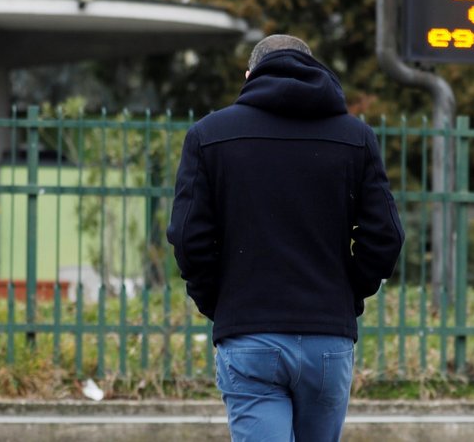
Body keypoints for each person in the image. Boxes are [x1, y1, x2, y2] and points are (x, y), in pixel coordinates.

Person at [167, 34, 404, 441]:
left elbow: (189, 238)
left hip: (248, 331)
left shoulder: (209, 136)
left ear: (249, 76)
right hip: (328, 336)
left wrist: (219, 301)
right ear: (315, 70)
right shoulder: (356, 138)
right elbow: (385, 237)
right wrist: (348, 293)